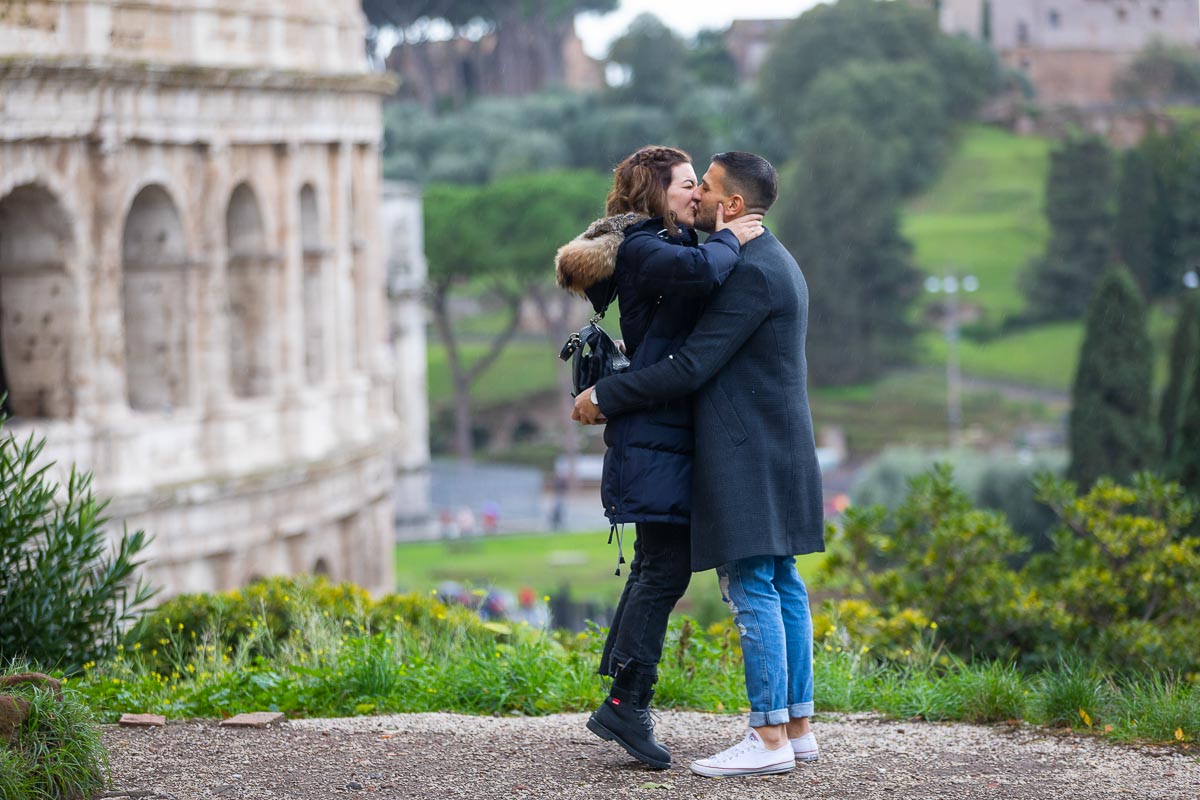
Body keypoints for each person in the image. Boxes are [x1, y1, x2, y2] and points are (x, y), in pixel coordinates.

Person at [573, 152, 825, 778]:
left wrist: (605, 394)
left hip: (746, 455)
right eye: (690, 186)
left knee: (751, 589)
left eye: (705, 187)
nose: (700, 197)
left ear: (733, 206)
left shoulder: (748, 270)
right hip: (776, 446)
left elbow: (692, 366)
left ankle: (769, 738)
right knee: (781, 583)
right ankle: (796, 727)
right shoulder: (773, 258)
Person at [554, 145, 763, 770]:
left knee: (655, 568)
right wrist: (732, 237)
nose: (696, 193)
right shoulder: (646, 247)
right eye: (687, 183)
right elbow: (702, 277)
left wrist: (714, 238)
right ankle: (626, 700)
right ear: (657, 192)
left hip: (658, 435)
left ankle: (622, 690)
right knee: (664, 572)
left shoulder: (660, 243)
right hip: (655, 438)